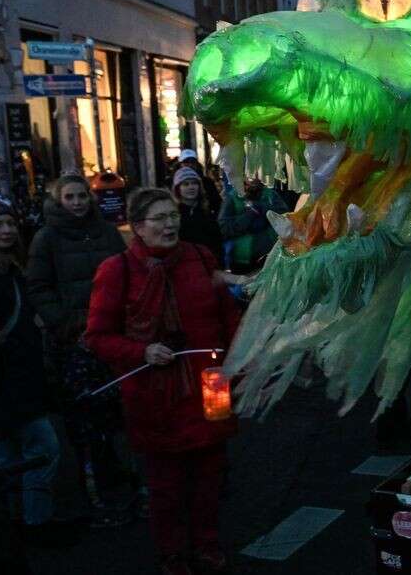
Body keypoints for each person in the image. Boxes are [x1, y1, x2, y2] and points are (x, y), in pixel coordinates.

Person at [85, 188, 241, 574]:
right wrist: (142, 352)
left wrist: (240, 359)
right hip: (154, 394)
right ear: (137, 227)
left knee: (210, 477)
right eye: (160, 218)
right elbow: (98, 337)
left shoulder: (201, 258)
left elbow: (228, 317)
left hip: (210, 385)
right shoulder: (117, 270)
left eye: (173, 215)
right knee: (166, 485)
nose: (171, 224)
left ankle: (206, 544)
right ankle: (172, 553)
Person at [25, 174, 134, 527]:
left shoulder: (106, 232)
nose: (77, 203)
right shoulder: (47, 237)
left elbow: (127, 274)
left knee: (118, 412)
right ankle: (95, 492)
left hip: (111, 334)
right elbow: (39, 286)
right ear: (59, 201)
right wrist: (64, 325)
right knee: (84, 418)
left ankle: (121, 479)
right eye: (69, 197)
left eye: (81, 196)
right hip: (73, 341)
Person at [0, 199, 69, 545]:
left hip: (9, 379)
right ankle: (36, 521)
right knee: (43, 447)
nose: (6, 231)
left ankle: (10, 522)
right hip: (2, 380)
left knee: (8, 454)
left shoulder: (6, 268)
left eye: (9, 223)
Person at [218, 176, 288, 273]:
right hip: (241, 261)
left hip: (270, 257)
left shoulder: (270, 195)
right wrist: (248, 217)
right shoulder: (232, 197)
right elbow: (223, 228)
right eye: (248, 173)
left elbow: (285, 219)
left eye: (257, 172)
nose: (253, 177)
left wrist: (264, 209)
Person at [173, 167, 224, 258]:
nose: (191, 187)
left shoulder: (207, 213)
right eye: (185, 184)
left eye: (194, 183)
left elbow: (217, 243)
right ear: (178, 188)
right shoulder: (173, 216)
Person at [177, 149, 222, 215]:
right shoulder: (172, 182)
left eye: (192, 162)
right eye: (186, 162)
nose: (190, 165)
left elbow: (217, 204)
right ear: (180, 164)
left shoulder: (207, 182)